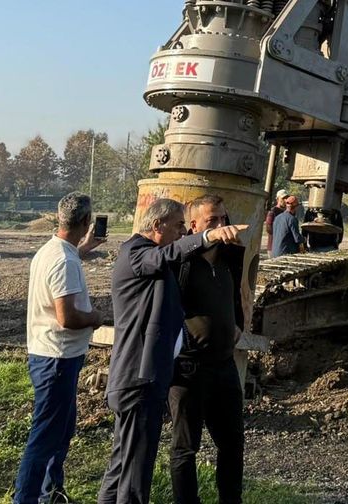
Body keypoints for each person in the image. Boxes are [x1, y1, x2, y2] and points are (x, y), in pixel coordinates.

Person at [97, 199, 247, 504]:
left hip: (154, 375)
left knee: (122, 465)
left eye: (223, 219)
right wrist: (206, 238)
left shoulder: (163, 255)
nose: (181, 233)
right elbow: (169, 256)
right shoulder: (137, 253)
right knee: (136, 474)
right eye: (180, 225)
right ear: (157, 226)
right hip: (141, 377)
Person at [13, 192, 105, 504]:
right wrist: (95, 317)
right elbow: (68, 317)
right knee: (44, 438)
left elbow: (64, 264)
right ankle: (27, 498)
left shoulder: (52, 251)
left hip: (51, 355)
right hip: (57, 359)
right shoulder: (64, 260)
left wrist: (84, 249)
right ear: (86, 222)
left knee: (61, 430)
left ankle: (50, 492)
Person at [169, 194, 245, 503]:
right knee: (186, 447)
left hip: (224, 365)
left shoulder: (229, 257)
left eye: (222, 219)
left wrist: (238, 322)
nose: (220, 225)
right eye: (211, 220)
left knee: (232, 443)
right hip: (190, 368)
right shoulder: (182, 260)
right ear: (193, 225)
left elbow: (239, 292)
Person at [264, 189, 288, 257]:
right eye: (283, 198)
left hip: (283, 247)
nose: (285, 200)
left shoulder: (286, 212)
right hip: (273, 247)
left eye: (286, 198)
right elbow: (268, 229)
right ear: (277, 199)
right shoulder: (272, 212)